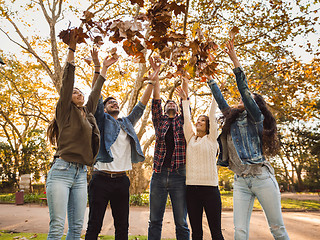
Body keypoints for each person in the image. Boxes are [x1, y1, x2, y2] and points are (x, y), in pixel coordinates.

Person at [207, 39, 290, 240]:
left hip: (262, 178)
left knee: (277, 228)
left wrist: (234, 59)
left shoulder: (256, 118)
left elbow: (244, 91)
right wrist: (210, 78)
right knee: (240, 231)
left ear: (256, 103)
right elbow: (220, 101)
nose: (243, 100)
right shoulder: (232, 119)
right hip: (241, 181)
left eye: (249, 98)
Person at [46, 30, 118, 240]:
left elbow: (95, 92)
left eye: (80, 92)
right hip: (61, 170)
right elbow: (67, 80)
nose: (79, 94)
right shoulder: (64, 111)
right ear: (68, 98)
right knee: (58, 226)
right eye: (75, 92)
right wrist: (72, 49)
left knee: (77, 228)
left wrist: (101, 67)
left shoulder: (87, 114)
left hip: (80, 174)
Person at [85, 57, 160, 240]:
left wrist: (152, 79)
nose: (114, 103)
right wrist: (101, 67)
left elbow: (141, 106)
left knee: (122, 227)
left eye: (116, 102)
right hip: (100, 179)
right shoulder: (101, 121)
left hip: (121, 181)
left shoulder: (127, 123)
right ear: (103, 108)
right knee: (94, 224)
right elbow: (96, 95)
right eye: (109, 102)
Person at [176, 81, 224, 240]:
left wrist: (216, 93)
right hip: (192, 190)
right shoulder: (191, 139)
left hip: (210, 190)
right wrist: (185, 100)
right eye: (198, 120)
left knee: (216, 232)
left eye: (202, 120)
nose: (198, 122)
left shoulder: (211, 139)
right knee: (196, 233)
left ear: (209, 125)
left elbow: (212, 113)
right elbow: (186, 119)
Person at [148, 61, 190, 240]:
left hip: (179, 175)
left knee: (181, 222)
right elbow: (156, 101)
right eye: (168, 103)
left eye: (174, 103)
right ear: (165, 109)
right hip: (158, 174)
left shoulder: (183, 121)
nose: (171, 104)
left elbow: (185, 101)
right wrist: (156, 77)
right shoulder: (160, 121)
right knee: (155, 220)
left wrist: (185, 80)